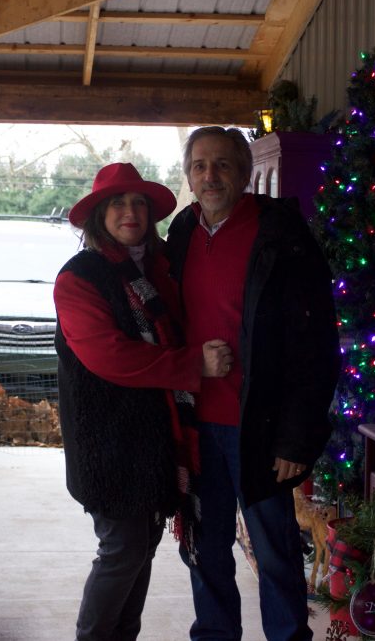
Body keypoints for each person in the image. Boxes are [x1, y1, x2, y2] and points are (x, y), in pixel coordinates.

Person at [167, 127, 341, 641]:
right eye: (200, 165)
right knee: (204, 547)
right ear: (189, 176)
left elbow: (316, 345)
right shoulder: (181, 233)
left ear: (245, 173)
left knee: (275, 551)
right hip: (197, 428)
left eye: (222, 164)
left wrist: (297, 438)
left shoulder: (281, 233)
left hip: (260, 429)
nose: (210, 175)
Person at [54, 162, 233, 641]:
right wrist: (193, 365)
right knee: (122, 549)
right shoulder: (80, 277)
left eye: (138, 202)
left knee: (141, 546)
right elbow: (109, 357)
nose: (129, 211)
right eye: (117, 203)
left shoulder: (155, 269)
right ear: (98, 216)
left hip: (154, 441)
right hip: (107, 444)